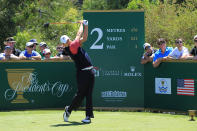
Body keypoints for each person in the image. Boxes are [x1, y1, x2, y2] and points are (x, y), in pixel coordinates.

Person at [61, 20, 95, 123]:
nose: (68, 41)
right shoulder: (72, 47)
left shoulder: (73, 45)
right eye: (66, 42)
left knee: (88, 94)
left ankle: (88, 117)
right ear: (64, 45)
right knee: (80, 94)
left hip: (90, 71)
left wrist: (86, 25)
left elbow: (84, 37)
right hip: (82, 73)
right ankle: (69, 110)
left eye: (67, 39)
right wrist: (82, 24)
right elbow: (79, 34)